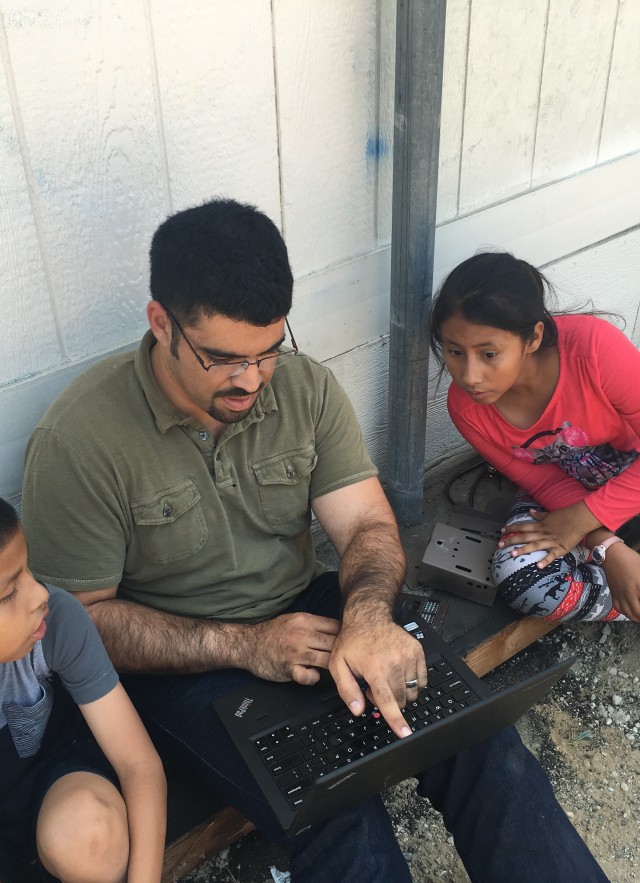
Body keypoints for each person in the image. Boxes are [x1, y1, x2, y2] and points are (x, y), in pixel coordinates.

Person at [21, 200, 608, 882]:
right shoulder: (80, 441)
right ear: (162, 325)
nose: (251, 380)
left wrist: (365, 617)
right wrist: (243, 644)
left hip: (310, 606)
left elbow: (365, 524)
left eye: (267, 351)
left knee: (482, 744)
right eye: (224, 359)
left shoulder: (303, 387)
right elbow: (80, 623)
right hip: (183, 659)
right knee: (337, 815)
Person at [429, 250, 640, 625]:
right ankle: (625, 590)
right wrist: (607, 546)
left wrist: (587, 523)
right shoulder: (466, 409)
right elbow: (543, 480)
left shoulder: (593, 349)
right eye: (455, 352)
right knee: (521, 576)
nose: (470, 375)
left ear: (532, 338)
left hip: (630, 475)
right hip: (572, 495)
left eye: (489, 353)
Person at [0, 498, 166, 883]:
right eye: (8, 593)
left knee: (91, 835)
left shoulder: (55, 622)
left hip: (52, 780)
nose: (38, 594)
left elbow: (138, 763)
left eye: (27, 570)